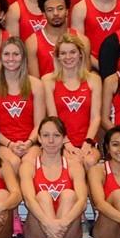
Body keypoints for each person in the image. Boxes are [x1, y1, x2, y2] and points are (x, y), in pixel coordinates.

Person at [19, 117, 86, 238]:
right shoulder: (28, 166)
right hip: (38, 234)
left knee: (70, 195)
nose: (51, 141)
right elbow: (29, 200)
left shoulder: (74, 165)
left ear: (63, 139)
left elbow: (82, 202)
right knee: (42, 196)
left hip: (67, 233)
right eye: (46, 135)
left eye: (56, 136)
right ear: (39, 138)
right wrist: (48, 223)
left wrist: (63, 223)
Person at [41, 34, 102, 165]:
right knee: (74, 162)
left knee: (90, 161)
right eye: (63, 53)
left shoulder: (94, 80)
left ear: (80, 54)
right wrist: (66, 143)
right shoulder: (48, 80)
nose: (68, 57)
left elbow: (96, 117)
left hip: (88, 141)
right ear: (57, 56)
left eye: (72, 52)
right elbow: (53, 118)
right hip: (59, 143)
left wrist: (88, 143)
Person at [0, 38, 42, 168]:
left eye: (16, 54)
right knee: (14, 162)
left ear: (23, 57)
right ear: (0, 57)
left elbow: (39, 125)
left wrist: (28, 143)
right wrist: (10, 144)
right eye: (6, 54)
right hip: (2, 143)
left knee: (28, 163)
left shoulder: (36, 85)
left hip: (31, 143)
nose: (11, 58)